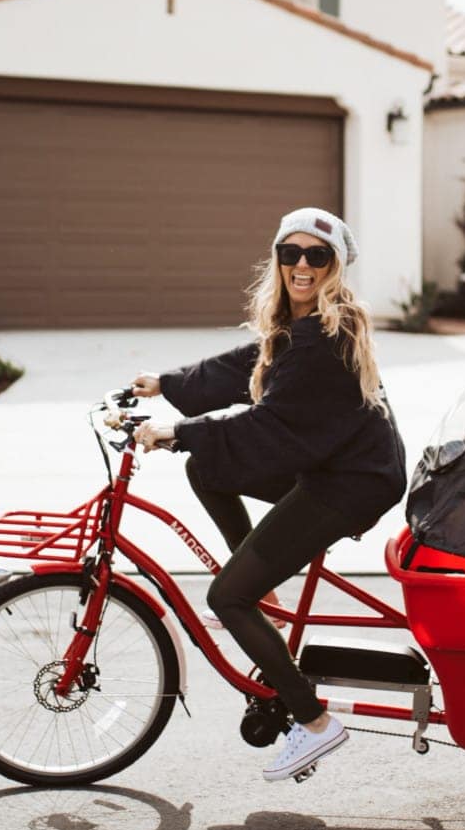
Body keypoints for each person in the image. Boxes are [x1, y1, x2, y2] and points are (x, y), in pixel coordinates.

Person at [130, 208, 406, 784]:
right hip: (332, 463)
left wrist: (178, 431)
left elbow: (269, 426)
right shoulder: (295, 325)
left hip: (350, 481)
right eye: (291, 253)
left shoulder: (326, 334)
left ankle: (313, 722)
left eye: (317, 256)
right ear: (277, 258)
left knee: (227, 597)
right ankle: (262, 590)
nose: (301, 266)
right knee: (209, 469)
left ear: (336, 267)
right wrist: (169, 384)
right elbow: (247, 365)